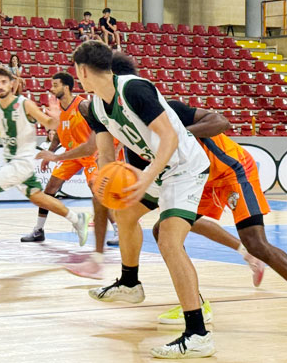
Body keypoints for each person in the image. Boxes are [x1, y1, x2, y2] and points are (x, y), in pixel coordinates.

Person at [105, 52, 287, 335]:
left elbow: (220, 121)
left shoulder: (162, 109)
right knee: (163, 230)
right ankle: (197, 304)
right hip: (198, 179)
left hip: (231, 170)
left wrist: (183, 136)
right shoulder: (128, 134)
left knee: (256, 242)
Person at [73, 40, 213, 358]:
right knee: (124, 214)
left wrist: (147, 177)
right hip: (156, 169)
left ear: (81, 71)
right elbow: (107, 155)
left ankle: (197, 333)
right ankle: (130, 283)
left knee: (168, 241)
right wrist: (105, 183)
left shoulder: (135, 89)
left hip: (184, 167)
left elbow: (171, 136)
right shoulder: (95, 107)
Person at [0, 68, 91, 255]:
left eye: (3, 82)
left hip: (22, 161)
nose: (0, 86)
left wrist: (55, 117)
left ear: (11, 84)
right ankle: (76, 218)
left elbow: (49, 124)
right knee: (39, 198)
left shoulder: (24, 104)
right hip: (13, 162)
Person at [20, 72, 118, 280]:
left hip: (90, 154)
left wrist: (102, 148)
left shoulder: (82, 106)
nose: (51, 88)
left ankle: (117, 230)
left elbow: (100, 129)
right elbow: (58, 134)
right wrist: (51, 153)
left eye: (55, 85)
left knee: (97, 190)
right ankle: (39, 230)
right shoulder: (61, 110)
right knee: (49, 190)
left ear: (67, 87)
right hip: (72, 155)